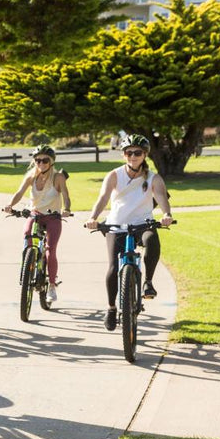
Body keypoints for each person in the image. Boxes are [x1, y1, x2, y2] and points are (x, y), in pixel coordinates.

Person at [85, 134, 174, 331]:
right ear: (124, 154)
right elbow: (103, 198)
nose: (132, 156)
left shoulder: (153, 177)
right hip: (116, 225)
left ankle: (148, 282)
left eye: (137, 153)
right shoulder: (115, 175)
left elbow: (160, 196)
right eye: (128, 152)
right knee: (112, 267)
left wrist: (167, 214)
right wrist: (93, 218)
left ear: (145, 155)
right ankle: (111, 308)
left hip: (143, 224)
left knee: (152, 241)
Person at [2, 145, 72, 303]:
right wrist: (10, 205)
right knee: (27, 238)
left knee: (50, 249)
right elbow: (19, 193)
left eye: (45, 160)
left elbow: (66, 197)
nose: (41, 163)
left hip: (53, 216)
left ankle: (52, 286)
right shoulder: (31, 176)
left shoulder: (58, 177)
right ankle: (27, 268)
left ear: (52, 161)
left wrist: (66, 209)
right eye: (37, 160)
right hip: (35, 214)